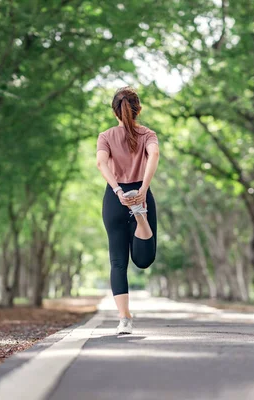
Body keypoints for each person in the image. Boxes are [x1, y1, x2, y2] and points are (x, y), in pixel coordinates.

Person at [96, 87, 160, 335]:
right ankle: (140, 216)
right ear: (138, 110)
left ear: (115, 112)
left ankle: (124, 319)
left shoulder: (106, 136)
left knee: (118, 262)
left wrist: (117, 190)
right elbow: (154, 154)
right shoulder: (148, 134)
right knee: (144, 260)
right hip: (140, 195)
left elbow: (101, 162)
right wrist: (143, 188)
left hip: (116, 198)